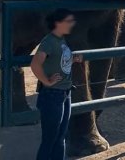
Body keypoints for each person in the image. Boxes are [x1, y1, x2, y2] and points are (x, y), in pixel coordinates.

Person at [31, 9, 82, 160]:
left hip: (65, 93)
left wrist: (72, 60)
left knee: (61, 137)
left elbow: (57, 61)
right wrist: (47, 81)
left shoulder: (61, 40)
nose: (72, 24)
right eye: (69, 21)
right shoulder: (49, 41)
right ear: (58, 23)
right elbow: (35, 64)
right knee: (50, 139)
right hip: (52, 95)